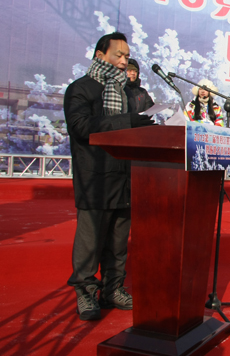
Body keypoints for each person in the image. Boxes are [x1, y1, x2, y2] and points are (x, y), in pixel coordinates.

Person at [64, 32, 155, 321]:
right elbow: (80, 126)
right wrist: (127, 121)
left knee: (118, 243)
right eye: (119, 55)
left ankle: (112, 289)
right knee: (90, 242)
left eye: (127, 56)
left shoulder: (128, 93)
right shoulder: (82, 88)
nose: (124, 61)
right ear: (100, 55)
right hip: (95, 177)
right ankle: (85, 291)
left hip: (125, 175)